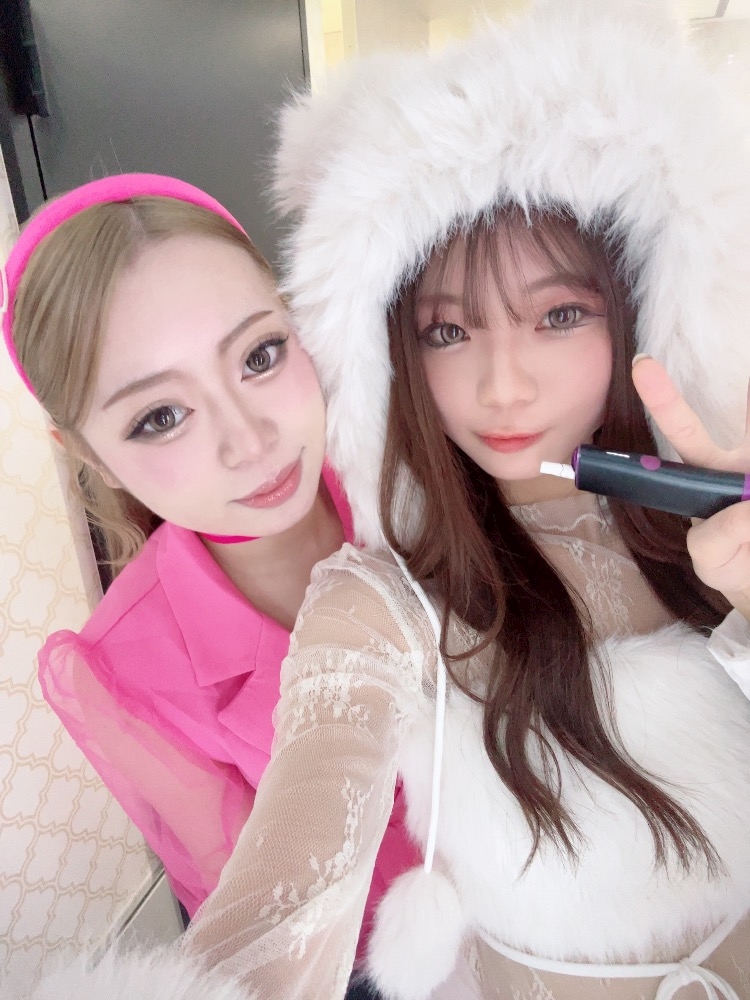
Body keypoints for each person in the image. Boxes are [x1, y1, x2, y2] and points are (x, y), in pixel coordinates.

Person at [176, 3, 750, 999]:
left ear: (639, 308)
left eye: (558, 314)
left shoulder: (712, 517)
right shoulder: (383, 602)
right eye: (447, 331)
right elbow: (279, 900)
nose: (503, 387)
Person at [1, 174, 417, 989]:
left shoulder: (421, 475)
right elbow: (254, 927)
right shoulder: (130, 668)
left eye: (260, 356)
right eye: (160, 417)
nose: (249, 440)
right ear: (86, 454)